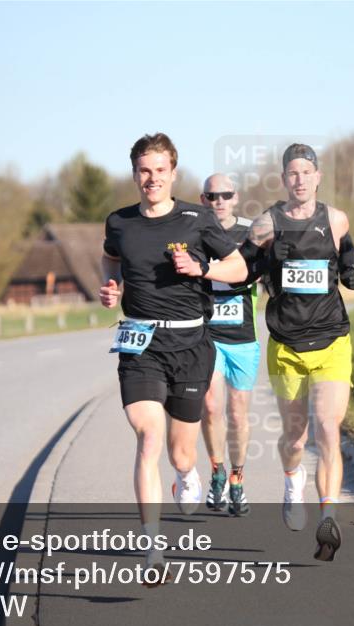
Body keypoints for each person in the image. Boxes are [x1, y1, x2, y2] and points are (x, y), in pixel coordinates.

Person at [99, 133, 248, 577]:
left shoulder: (197, 219)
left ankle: (186, 474)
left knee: (182, 453)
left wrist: (203, 268)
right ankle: (152, 551)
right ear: (135, 174)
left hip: (190, 344)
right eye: (144, 170)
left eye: (160, 170)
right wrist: (112, 287)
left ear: (173, 173)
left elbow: (238, 268)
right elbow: (109, 259)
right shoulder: (119, 222)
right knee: (148, 437)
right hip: (140, 342)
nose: (152, 178)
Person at [248, 143, 354, 561]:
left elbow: (345, 251)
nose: (299, 179)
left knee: (328, 428)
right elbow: (244, 262)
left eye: (306, 172)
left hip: (332, 339)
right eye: (291, 173)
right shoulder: (266, 224)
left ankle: (328, 515)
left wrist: (350, 270)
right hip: (287, 345)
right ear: (284, 179)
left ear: (317, 176)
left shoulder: (335, 218)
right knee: (295, 437)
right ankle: (292, 478)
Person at [199, 174, 261, 517]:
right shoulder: (195, 230)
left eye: (225, 194)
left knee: (238, 414)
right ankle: (217, 471)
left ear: (236, 197)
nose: (218, 200)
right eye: (211, 195)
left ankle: (238, 478)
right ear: (203, 198)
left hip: (243, 338)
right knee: (210, 407)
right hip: (208, 336)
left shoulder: (252, 233)